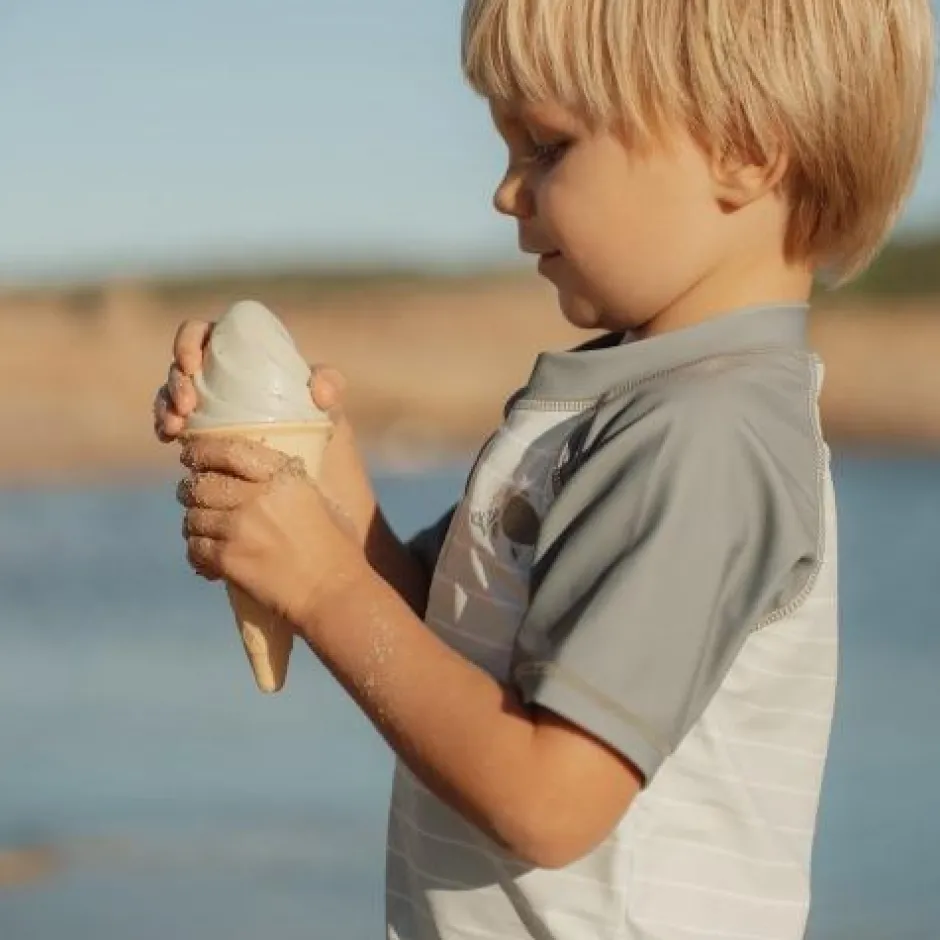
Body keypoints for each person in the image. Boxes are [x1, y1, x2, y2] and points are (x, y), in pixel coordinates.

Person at [154, 1, 935, 937]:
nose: (505, 192)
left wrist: (321, 586)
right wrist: (314, 464)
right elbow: (441, 643)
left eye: (548, 146)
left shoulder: (707, 436)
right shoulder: (629, 410)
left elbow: (549, 801)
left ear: (745, 150)